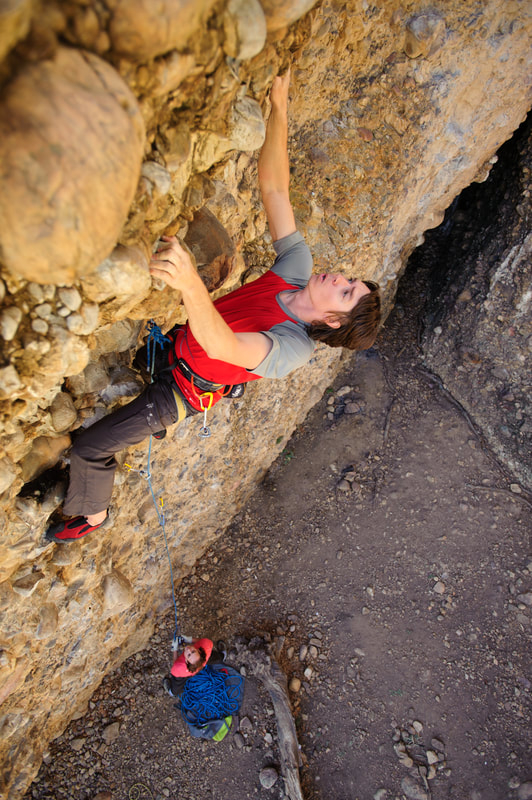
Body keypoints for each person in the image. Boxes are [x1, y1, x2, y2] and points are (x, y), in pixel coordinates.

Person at [45, 68, 381, 543]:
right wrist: (280, 110)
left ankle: (91, 516)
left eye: (345, 292)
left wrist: (187, 282)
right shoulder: (297, 269)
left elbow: (220, 344)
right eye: (350, 280)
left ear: (332, 320)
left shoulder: (292, 349)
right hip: (175, 348)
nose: (340, 278)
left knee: (91, 448)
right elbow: (275, 189)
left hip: (181, 391)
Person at [162, 638, 227, 699]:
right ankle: (222, 656)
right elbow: (200, 641)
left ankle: (172, 692)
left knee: (177, 683)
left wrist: (174, 649)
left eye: (189, 655)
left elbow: (175, 664)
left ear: (186, 661)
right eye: (193, 651)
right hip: (204, 659)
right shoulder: (205, 647)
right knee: (213, 657)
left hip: (184, 673)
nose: (188, 650)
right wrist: (189, 639)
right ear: (198, 650)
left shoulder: (180, 668)